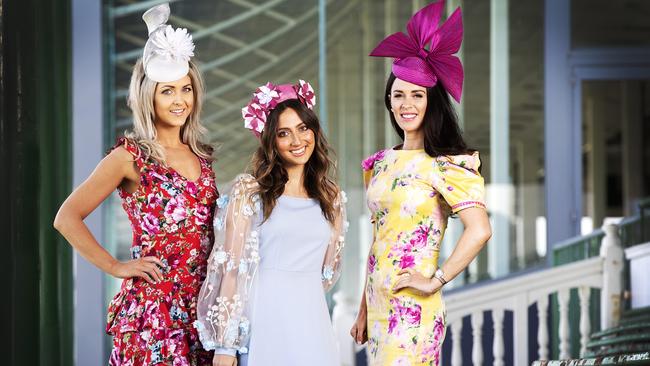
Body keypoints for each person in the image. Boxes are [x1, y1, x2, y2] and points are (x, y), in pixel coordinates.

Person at [54, 4, 216, 365]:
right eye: (168, 91)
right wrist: (117, 266)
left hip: (201, 310)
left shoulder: (202, 158)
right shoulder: (129, 157)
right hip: (154, 316)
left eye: (186, 89)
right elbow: (66, 218)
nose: (180, 101)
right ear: (149, 95)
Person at [349, 1, 492, 365]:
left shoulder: (447, 165)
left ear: (432, 102)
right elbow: (379, 241)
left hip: (414, 308)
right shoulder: (381, 164)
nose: (406, 103)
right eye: (398, 94)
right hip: (379, 304)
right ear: (389, 101)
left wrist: (436, 279)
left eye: (417, 94)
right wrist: (364, 308)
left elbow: (480, 231)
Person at [194, 81, 347, 366]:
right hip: (264, 321)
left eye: (303, 128)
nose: (297, 141)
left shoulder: (332, 197)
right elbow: (231, 271)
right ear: (271, 141)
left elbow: (327, 273)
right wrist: (225, 347)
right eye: (283, 133)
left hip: (313, 322)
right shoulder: (248, 192)